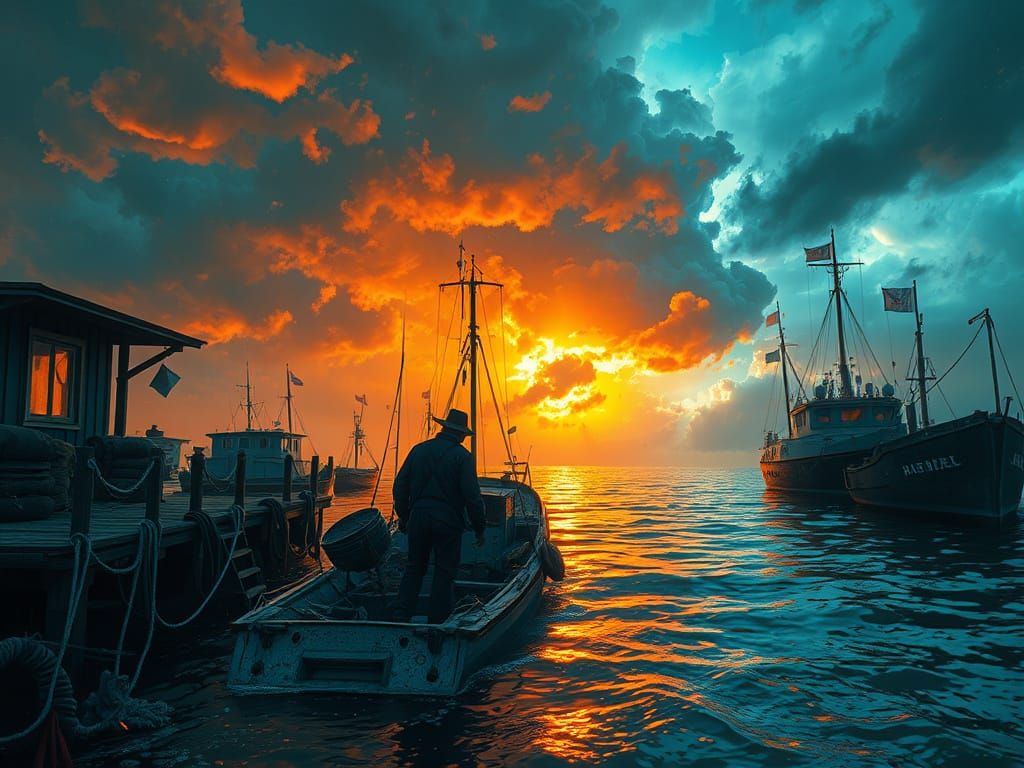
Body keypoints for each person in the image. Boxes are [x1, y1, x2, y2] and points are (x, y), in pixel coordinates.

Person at [393, 408, 487, 624]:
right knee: (444, 571)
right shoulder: (463, 458)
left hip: (418, 518)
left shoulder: (418, 450)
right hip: (448, 522)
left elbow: (400, 486)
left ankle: (400, 615)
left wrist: (404, 516)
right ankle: (437, 622)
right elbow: (473, 497)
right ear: (461, 434)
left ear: (444, 428)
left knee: (415, 567)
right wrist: (480, 528)